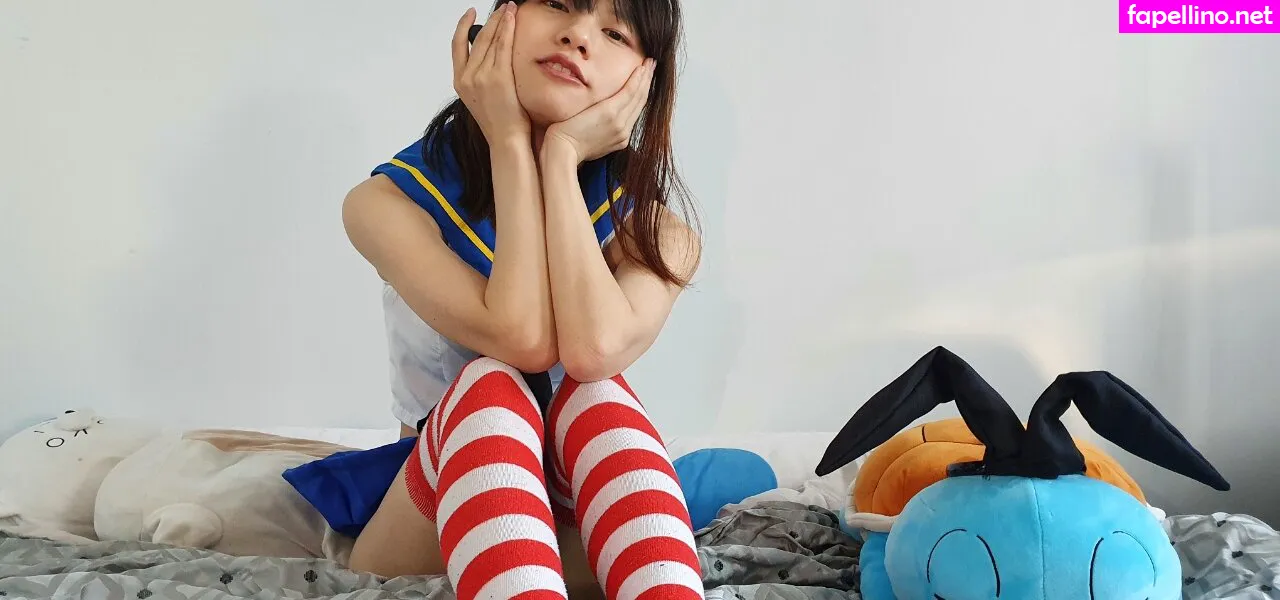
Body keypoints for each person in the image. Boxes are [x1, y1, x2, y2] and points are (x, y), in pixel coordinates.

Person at [340, 1, 703, 599]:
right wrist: (509, 140)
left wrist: (560, 157)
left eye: (615, 33)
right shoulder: (385, 205)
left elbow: (592, 352)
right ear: (500, 19)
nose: (577, 35)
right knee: (492, 385)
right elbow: (522, 339)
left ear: (644, 81)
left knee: (595, 393)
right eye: (558, 3)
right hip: (430, 515)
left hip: (578, 524)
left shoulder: (663, 235)